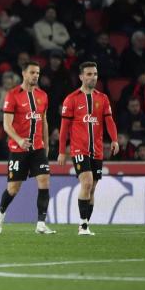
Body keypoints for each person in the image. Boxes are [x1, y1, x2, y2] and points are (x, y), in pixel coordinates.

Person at [0, 61, 56, 235]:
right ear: (24, 74)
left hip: (37, 148)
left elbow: (44, 122)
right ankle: (0, 214)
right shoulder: (13, 95)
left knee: (44, 181)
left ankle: (41, 224)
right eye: (32, 72)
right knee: (13, 189)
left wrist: (46, 145)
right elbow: (7, 125)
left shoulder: (43, 95)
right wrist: (19, 140)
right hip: (18, 149)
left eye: (38, 73)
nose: (36, 76)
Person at [58, 62, 119, 235]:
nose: (93, 77)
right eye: (89, 74)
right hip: (79, 150)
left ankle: (84, 224)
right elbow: (64, 128)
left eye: (95, 74)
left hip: (97, 151)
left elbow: (109, 121)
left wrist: (114, 140)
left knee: (92, 189)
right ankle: (83, 226)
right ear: (81, 77)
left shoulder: (103, 98)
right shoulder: (71, 99)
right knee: (87, 183)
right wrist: (62, 151)